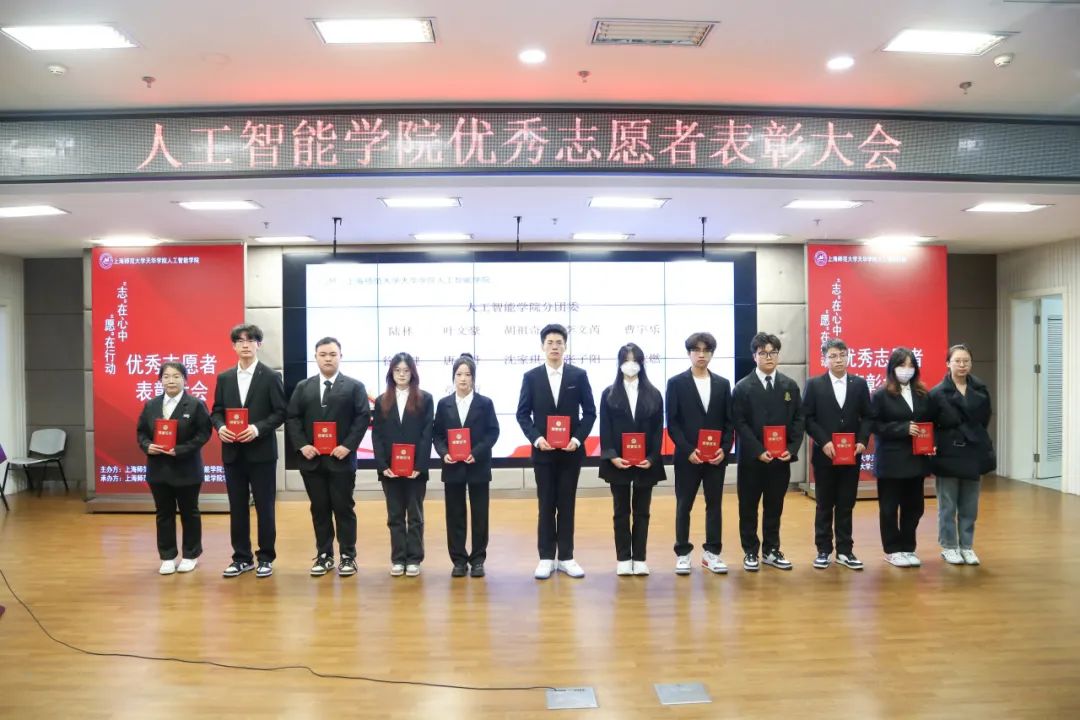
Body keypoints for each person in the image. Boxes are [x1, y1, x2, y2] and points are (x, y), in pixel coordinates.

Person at [516, 323, 597, 580]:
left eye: (559, 343)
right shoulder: (531, 377)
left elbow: (590, 412)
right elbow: (522, 414)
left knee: (567, 504)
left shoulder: (578, 376)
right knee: (546, 504)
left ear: (565, 346)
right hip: (543, 453)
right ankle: (546, 557)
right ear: (542, 346)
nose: (554, 347)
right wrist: (537, 438)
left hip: (570, 453)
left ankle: (567, 557)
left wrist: (577, 438)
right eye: (550, 342)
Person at [285, 337, 371, 578]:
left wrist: (348, 446)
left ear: (340, 356)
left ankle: (348, 555)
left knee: (344, 508)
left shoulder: (354, 386)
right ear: (316, 357)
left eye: (333, 354)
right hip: (312, 461)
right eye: (323, 354)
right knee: (319, 508)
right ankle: (324, 555)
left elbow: (362, 418)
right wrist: (302, 445)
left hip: (341, 460)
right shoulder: (303, 387)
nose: (328, 359)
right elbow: (292, 417)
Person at [211, 323, 287, 579]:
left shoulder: (271, 377)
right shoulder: (224, 378)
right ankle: (241, 558)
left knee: (265, 507)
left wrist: (257, 429)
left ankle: (266, 557)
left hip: (262, 453)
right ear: (233, 346)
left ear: (259, 345)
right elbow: (216, 411)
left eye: (250, 340)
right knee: (237, 507)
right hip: (233, 453)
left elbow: (281, 412)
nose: (245, 345)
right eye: (240, 341)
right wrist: (220, 427)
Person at [870, 347, 954, 568]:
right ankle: (892, 550)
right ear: (892, 368)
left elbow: (932, 422)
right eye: (902, 365)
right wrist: (902, 428)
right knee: (889, 508)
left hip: (916, 460)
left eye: (910, 365)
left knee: (915, 507)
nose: (906, 370)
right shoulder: (880, 395)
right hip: (891, 461)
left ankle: (908, 547)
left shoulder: (923, 394)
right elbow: (875, 426)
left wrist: (932, 441)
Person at [732, 332, 805, 572]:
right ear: (754, 356)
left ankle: (771, 550)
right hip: (752, 460)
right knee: (748, 507)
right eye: (763, 353)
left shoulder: (789, 386)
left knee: (774, 507)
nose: (769, 357)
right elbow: (739, 423)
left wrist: (791, 449)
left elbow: (799, 420)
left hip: (780, 460)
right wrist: (757, 450)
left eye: (773, 352)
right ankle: (750, 551)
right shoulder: (742, 387)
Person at [665, 332, 734, 575]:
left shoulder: (723, 384)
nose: (701, 354)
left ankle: (712, 553)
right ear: (689, 353)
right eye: (696, 350)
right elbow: (672, 423)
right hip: (688, 457)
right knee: (684, 505)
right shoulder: (676, 383)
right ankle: (683, 553)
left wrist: (724, 449)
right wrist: (687, 450)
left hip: (715, 458)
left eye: (706, 350)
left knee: (714, 505)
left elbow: (729, 422)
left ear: (712, 354)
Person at [802, 338, 872, 571]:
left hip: (852, 455)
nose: (838, 360)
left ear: (848, 356)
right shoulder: (814, 384)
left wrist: (862, 440)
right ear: (825, 359)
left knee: (846, 503)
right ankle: (823, 550)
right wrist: (823, 441)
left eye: (842, 355)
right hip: (825, 455)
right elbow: (808, 418)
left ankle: (845, 550)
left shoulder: (859, 384)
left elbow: (868, 416)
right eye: (833, 356)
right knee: (824, 504)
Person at [136, 362, 212, 575]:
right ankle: (167, 557)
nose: (171, 381)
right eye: (166, 376)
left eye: (176, 376)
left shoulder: (196, 404)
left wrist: (180, 450)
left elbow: (204, 434)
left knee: (190, 512)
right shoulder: (151, 405)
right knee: (164, 514)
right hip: (158, 469)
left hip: (187, 468)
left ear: (185, 380)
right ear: (160, 380)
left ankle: (190, 555)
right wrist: (147, 446)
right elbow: (141, 432)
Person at [599, 343, 666, 576]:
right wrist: (612, 456)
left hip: (645, 463)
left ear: (641, 363)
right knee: (620, 511)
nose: (631, 364)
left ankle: (639, 557)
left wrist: (652, 457)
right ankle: (623, 558)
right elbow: (605, 428)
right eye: (626, 360)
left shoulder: (654, 394)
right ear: (619, 363)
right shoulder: (608, 394)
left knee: (642, 511)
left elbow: (658, 431)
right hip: (618, 461)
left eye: (635, 360)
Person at [433, 353, 500, 578]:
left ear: (474, 378)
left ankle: (478, 559)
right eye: (459, 374)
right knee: (455, 515)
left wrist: (476, 453)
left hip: (477, 466)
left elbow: (493, 432)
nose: (463, 378)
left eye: (468, 374)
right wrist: (444, 453)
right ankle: (459, 560)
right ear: (453, 377)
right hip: (452, 467)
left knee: (480, 514)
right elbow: (437, 435)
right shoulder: (444, 404)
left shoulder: (485, 403)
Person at [930, 344, 995, 566]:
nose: (962, 365)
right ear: (948, 363)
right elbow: (930, 424)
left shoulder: (981, 389)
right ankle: (949, 546)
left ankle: (966, 546)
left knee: (969, 504)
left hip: (973, 452)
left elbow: (985, 419)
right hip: (947, 453)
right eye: (957, 361)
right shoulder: (937, 393)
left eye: (966, 361)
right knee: (947, 504)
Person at [372, 352, 434, 577]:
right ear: (391, 373)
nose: (401, 374)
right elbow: (377, 435)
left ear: (413, 373)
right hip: (390, 470)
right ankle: (398, 558)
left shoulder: (425, 399)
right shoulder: (382, 401)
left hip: (415, 470)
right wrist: (382, 466)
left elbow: (427, 434)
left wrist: (420, 465)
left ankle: (414, 558)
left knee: (415, 516)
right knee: (395, 516)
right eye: (397, 370)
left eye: (406, 370)